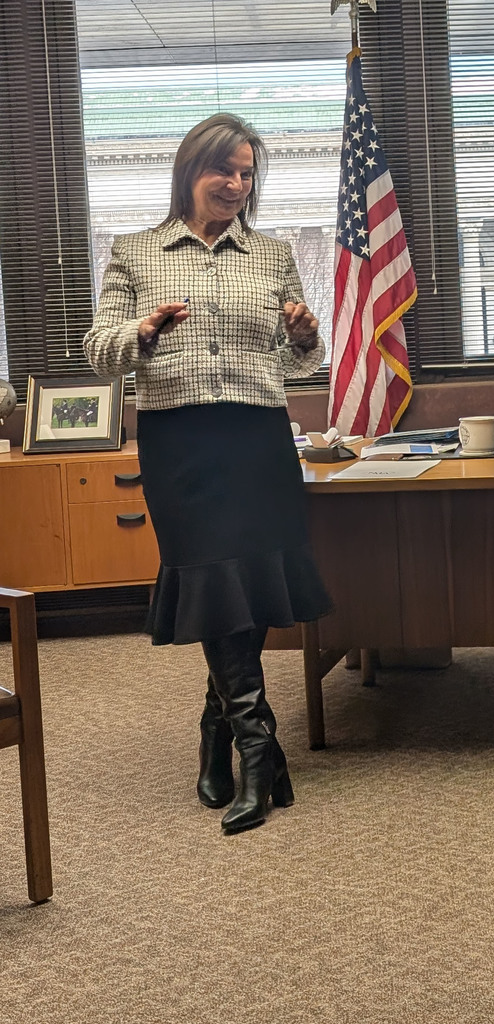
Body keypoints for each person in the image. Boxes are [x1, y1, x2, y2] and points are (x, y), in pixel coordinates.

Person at [84, 113, 331, 834]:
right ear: (191, 170)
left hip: (256, 436)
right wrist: (145, 332)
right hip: (181, 442)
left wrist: (306, 340)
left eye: (248, 173)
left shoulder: (274, 254)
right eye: (224, 169)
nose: (236, 184)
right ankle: (263, 751)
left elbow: (292, 365)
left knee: (249, 584)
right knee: (213, 576)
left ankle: (220, 731)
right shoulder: (134, 253)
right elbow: (100, 352)